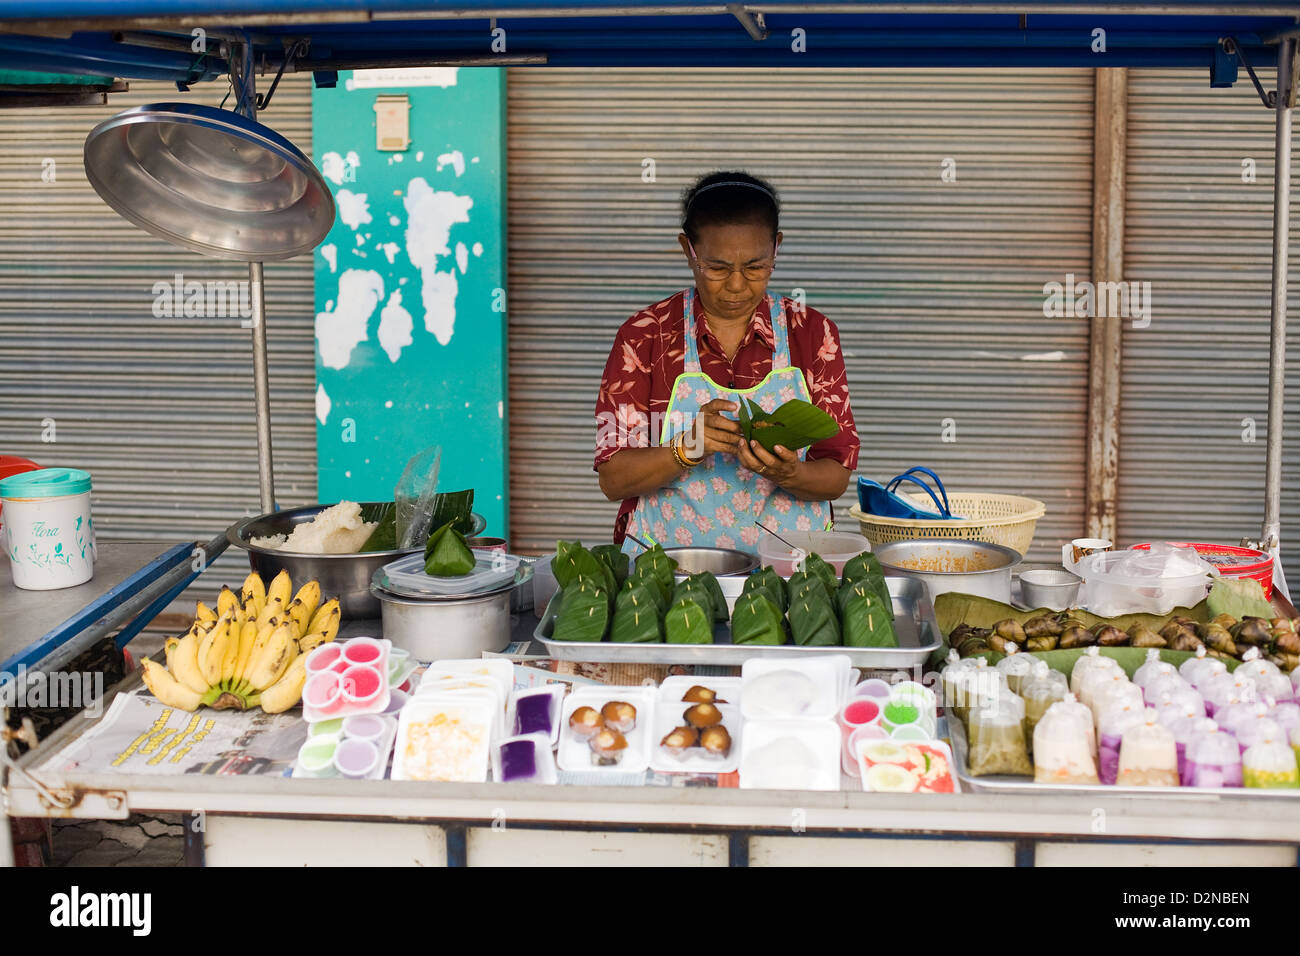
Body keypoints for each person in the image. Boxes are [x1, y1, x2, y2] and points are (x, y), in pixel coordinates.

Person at [594, 171, 859, 553]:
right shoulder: (644, 337)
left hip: (791, 574)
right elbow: (613, 479)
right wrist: (684, 450)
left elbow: (835, 476)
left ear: (776, 249)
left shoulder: (813, 334)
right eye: (717, 268)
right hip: (666, 571)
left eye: (755, 267)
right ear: (689, 251)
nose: (737, 285)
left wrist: (791, 472)